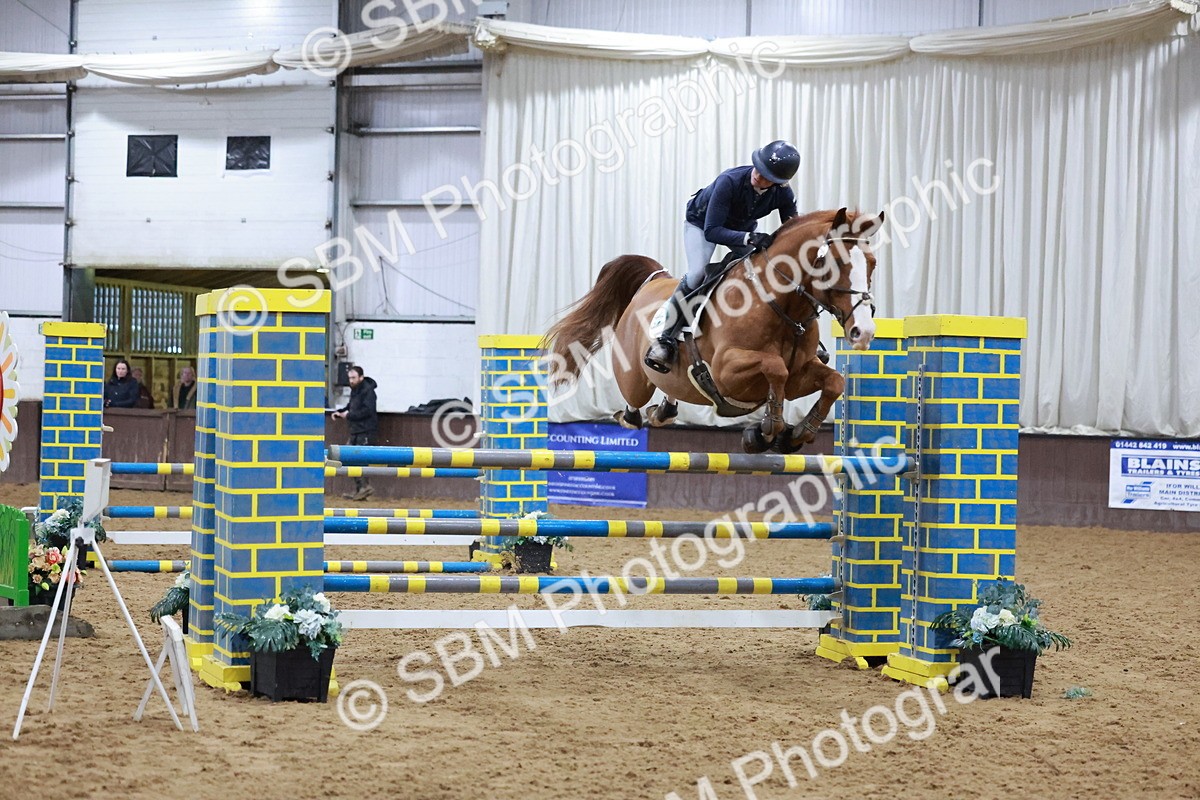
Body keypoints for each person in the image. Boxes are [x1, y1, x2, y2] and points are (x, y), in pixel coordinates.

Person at [644, 140, 801, 374]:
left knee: (764, 269)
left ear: (779, 183)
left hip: (739, 228)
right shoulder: (730, 181)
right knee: (697, 273)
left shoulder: (783, 194)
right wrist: (749, 238)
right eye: (758, 168)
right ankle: (665, 337)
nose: (759, 176)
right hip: (702, 224)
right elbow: (712, 230)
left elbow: (792, 227)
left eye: (767, 176)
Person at [331, 366, 378, 500]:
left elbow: (367, 411)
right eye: (350, 378)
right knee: (350, 458)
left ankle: (364, 487)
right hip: (356, 430)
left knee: (358, 459)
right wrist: (341, 412)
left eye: (353, 378)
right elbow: (351, 406)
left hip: (365, 431)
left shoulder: (368, 392)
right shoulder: (356, 391)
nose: (351, 381)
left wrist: (349, 415)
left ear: (361, 378)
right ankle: (361, 489)